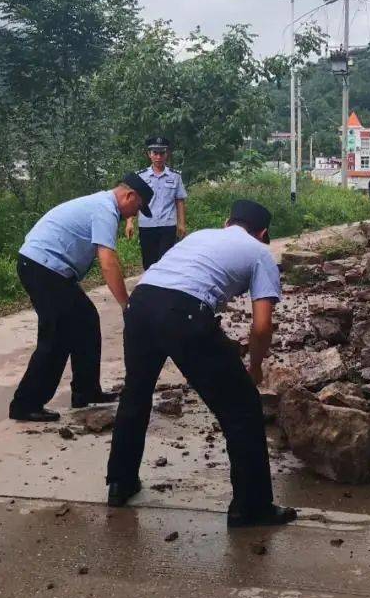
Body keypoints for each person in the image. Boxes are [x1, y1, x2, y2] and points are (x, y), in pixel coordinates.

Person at [106, 199, 297, 528]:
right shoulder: (261, 253)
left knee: (136, 393)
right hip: (183, 312)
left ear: (227, 222)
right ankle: (251, 508)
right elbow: (262, 326)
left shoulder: (198, 236)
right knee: (242, 409)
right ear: (263, 233)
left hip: (141, 304)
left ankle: (120, 483)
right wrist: (253, 369)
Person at [9, 173, 154, 422]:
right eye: (137, 208)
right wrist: (126, 304)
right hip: (42, 267)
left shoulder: (102, 205)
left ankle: (86, 391)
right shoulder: (104, 210)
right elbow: (108, 261)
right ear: (129, 196)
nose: (134, 215)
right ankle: (25, 404)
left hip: (49, 268)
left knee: (86, 321)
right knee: (56, 335)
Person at [125, 136, 187, 269]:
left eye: (162, 153)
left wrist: (181, 223)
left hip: (168, 225)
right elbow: (132, 201)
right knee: (149, 262)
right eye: (155, 153)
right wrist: (130, 222)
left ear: (167, 154)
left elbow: (179, 201)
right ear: (149, 155)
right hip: (147, 225)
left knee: (166, 261)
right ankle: (150, 286)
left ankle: (165, 288)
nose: (158, 157)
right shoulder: (140, 176)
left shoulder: (175, 176)